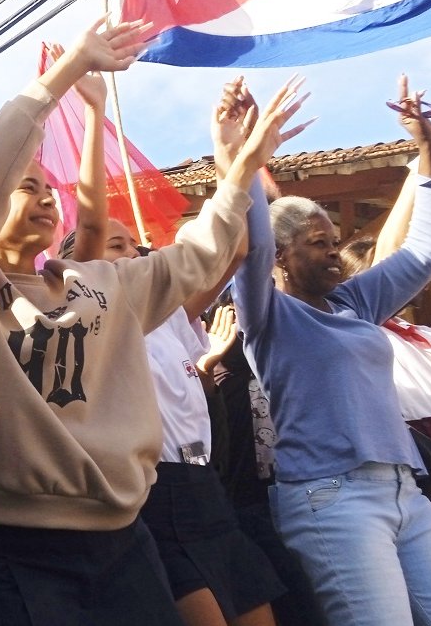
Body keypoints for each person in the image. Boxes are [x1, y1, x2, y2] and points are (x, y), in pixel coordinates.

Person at [0, 64, 307, 625]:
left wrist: (240, 163)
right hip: (22, 547)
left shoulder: (100, 286)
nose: (46, 199)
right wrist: (61, 74)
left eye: (51, 190)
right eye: (27, 187)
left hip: (127, 540)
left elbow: (203, 253)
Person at [231, 79, 431, 625]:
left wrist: (427, 152)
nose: (335, 256)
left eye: (336, 243)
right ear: (281, 256)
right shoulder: (267, 313)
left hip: (405, 491)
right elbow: (251, 243)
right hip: (331, 500)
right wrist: (246, 156)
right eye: (318, 245)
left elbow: (424, 252)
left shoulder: (355, 300)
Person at [56, 77, 294, 626]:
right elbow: (89, 235)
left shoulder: (168, 315)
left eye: (133, 243)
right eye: (117, 245)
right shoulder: (83, 319)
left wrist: (230, 152)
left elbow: (236, 250)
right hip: (151, 493)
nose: (135, 250)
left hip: (205, 488)